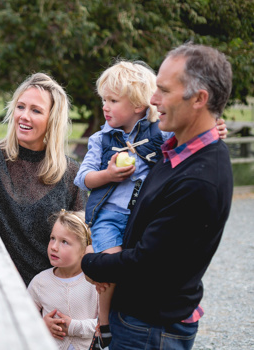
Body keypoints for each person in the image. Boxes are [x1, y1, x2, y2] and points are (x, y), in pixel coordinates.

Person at [81, 43, 234, 350]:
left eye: (163, 90)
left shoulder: (200, 179)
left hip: (150, 327)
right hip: (140, 319)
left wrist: (90, 262)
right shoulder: (175, 152)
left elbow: (148, 264)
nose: (152, 100)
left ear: (199, 99)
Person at [0, 72, 87, 286]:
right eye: (20, 106)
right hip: (1, 288)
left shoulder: (70, 173)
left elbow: (83, 244)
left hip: (52, 296)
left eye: (36, 110)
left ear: (52, 119)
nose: (24, 116)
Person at [27, 209, 98, 350]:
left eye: (64, 242)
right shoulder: (40, 282)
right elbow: (23, 319)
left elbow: (105, 325)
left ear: (85, 248)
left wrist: (72, 327)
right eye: (52, 238)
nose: (53, 247)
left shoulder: (95, 283)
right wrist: (42, 325)